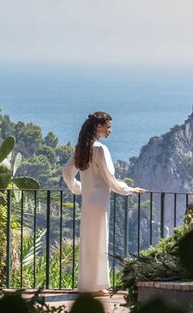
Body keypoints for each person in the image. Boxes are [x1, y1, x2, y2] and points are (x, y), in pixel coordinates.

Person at [63, 111, 146, 297]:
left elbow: (67, 172)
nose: (110, 130)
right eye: (108, 126)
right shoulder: (100, 149)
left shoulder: (81, 147)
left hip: (88, 200)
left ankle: (87, 285)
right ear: (98, 127)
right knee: (99, 241)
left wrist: (78, 188)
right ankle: (97, 286)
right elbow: (110, 179)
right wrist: (128, 189)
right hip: (99, 201)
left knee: (88, 241)